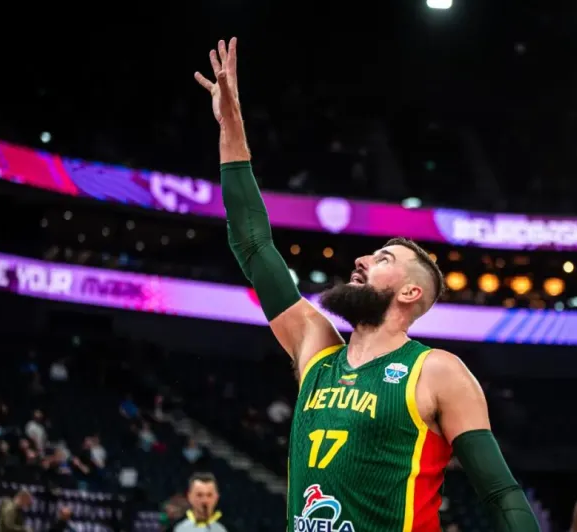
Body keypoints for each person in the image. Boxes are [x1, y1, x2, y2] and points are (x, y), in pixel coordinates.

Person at [194, 37, 539, 532]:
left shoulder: (437, 371)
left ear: (410, 293)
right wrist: (231, 128)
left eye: (382, 259)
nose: (360, 260)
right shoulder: (317, 349)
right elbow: (252, 245)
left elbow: (501, 494)